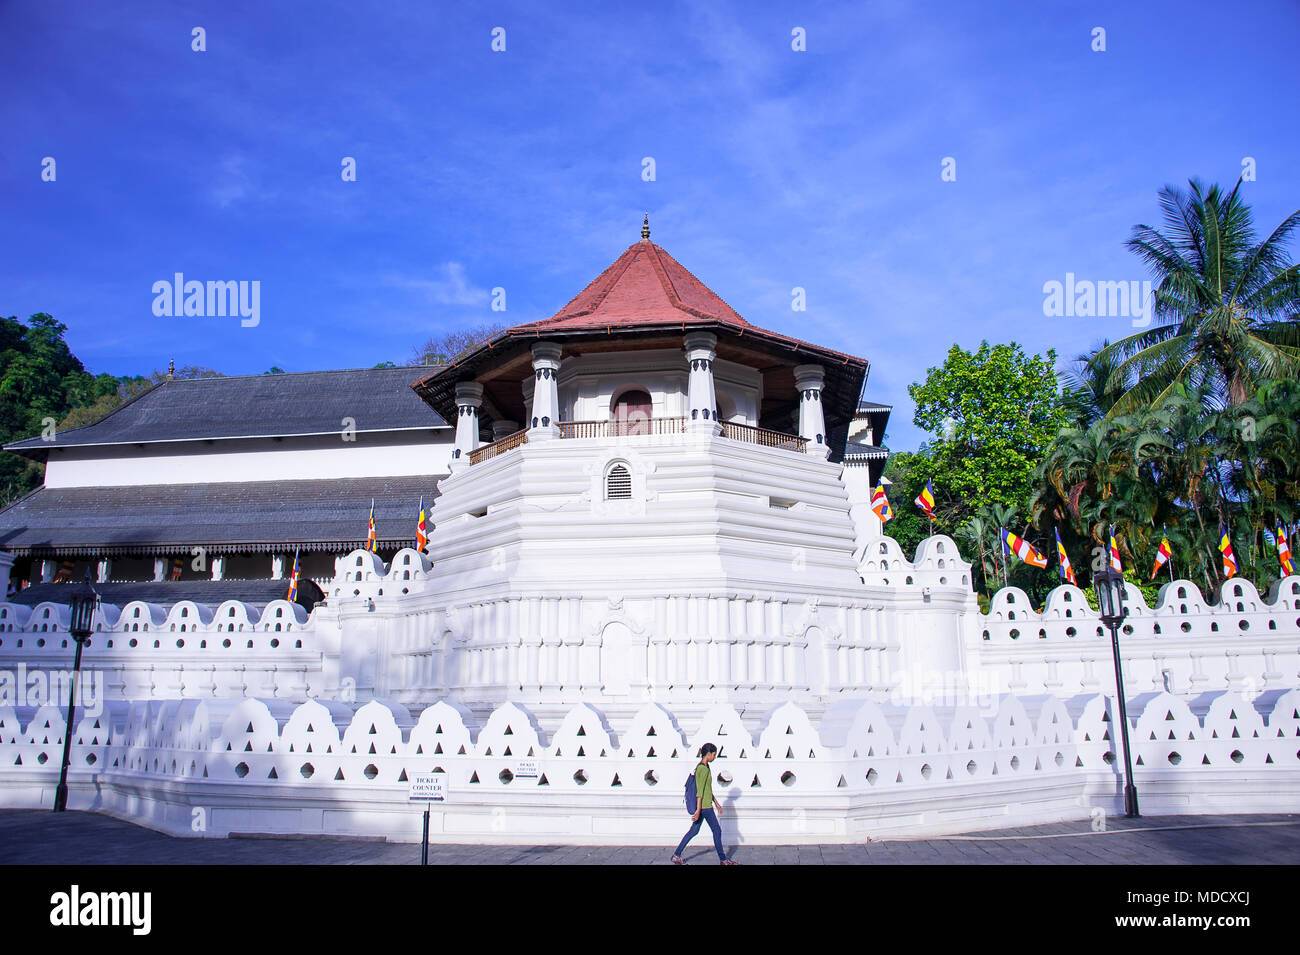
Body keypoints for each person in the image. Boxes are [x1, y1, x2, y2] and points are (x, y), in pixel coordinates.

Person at [672, 743, 737, 865]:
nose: (714, 757)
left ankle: (676, 855)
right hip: (705, 807)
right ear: (708, 754)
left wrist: (716, 803)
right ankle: (723, 859)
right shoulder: (703, 769)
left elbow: (707, 789)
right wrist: (698, 810)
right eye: (714, 754)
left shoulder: (704, 767)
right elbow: (700, 792)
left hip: (704, 805)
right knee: (717, 830)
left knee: (694, 831)